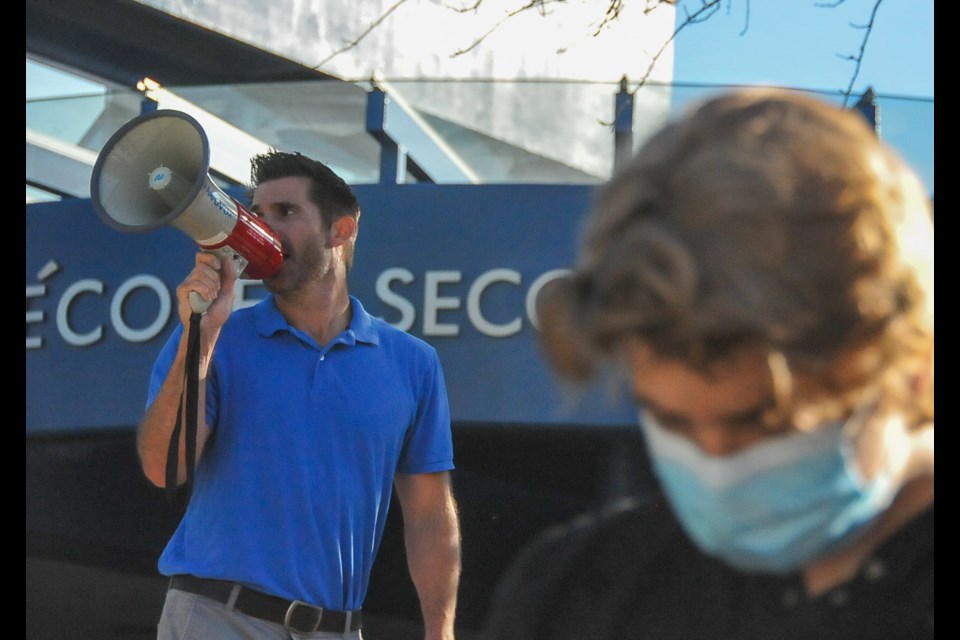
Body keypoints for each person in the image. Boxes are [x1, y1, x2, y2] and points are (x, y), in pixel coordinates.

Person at [483, 88, 933, 639]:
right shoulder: (574, 591)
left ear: (911, 364)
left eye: (764, 423)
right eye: (672, 422)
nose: (716, 467)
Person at [137, 150, 462, 639]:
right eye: (257, 214)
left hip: (338, 629)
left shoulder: (413, 363)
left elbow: (430, 515)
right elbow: (164, 468)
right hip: (215, 618)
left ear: (342, 230)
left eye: (286, 213)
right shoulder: (213, 335)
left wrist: (442, 632)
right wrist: (198, 336)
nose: (264, 229)